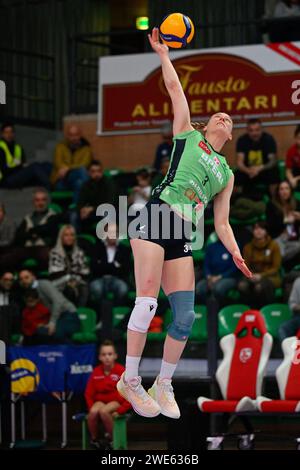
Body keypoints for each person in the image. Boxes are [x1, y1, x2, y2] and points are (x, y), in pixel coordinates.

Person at [115, 28, 252, 420]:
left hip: (182, 233)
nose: (224, 117)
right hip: (155, 216)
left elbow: (222, 224)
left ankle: (164, 383)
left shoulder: (226, 173)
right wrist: (163, 55)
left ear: (229, 135)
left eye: (230, 119)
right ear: (208, 125)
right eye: (218, 115)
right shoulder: (187, 135)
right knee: (146, 301)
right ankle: (130, 379)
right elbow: (176, 90)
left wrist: (236, 252)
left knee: (187, 315)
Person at [85, 340, 131, 450]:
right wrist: (91, 407)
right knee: (93, 412)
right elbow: (88, 393)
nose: (107, 357)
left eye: (110, 354)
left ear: (115, 356)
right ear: (100, 357)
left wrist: (120, 411)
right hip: (100, 401)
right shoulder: (96, 371)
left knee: (104, 411)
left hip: (116, 402)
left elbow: (130, 394)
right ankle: (94, 440)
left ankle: (112, 439)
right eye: (104, 354)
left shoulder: (121, 371)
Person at [1, 188, 60, 271]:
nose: (40, 203)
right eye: (37, 200)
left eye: (43, 200)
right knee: (7, 258)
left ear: (47, 202)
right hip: (27, 249)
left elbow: (49, 230)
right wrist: (34, 233)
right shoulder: (27, 218)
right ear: (33, 203)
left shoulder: (53, 216)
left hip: (44, 248)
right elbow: (19, 236)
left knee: (48, 256)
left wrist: (30, 232)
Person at [17, 270, 79, 342]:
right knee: (41, 332)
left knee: (57, 334)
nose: (24, 281)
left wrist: (52, 322)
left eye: (26, 277)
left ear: (33, 277)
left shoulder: (43, 284)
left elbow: (58, 302)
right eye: (21, 279)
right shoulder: (29, 291)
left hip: (68, 315)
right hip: (57, 318)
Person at [238, 221, 282, 308]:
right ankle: (247, 310)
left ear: (266, 231)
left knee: (259, 287)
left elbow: (276, 267)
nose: (258, 231)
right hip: (252, 276)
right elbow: (245, 265)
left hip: (270, 276)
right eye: (256, 229)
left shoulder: (274, 245)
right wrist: (250, 275)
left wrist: (261, 275)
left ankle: (265, 310)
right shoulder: (248, 247)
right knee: (242, 286)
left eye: (261, 228)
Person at [90, 223, 130, 311]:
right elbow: (94, 268)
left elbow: (125, 270)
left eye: (115, 232)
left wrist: (103, 265)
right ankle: (100, 315)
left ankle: (114, 313)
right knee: (96, 288)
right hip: (100, 278)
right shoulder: (97, 248)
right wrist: (115, 266)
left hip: (117, 279)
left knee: (123, 289)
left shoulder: (124, 249)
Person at [235, 118, 279, 198]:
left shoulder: (268, 139)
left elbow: (272, 160)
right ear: (247, 131)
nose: (254, 133)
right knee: (236, 176)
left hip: (264, 170)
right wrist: (248, 171)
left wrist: (259, 168)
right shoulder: (242, 140)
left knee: (274, 173)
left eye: (257, 130)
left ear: (261, 129)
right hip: (248, 172)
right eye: (251, 130)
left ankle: (274, 200)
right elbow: (239, 162)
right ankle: (237, 201)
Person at [0, 123, 51, 189]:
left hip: (18, 175)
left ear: (14, 133)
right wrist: (21, 167)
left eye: (11, 132)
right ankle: (50, 187)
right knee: (34, 167)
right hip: (6, 180)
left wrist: (23, 167)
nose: (9, 135)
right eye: (6, 132)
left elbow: (23, 164)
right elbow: (4, 171)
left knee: (45, 165)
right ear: (2, 134)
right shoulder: (1, 148)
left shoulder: (18, 148)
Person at [49, 225, 90, 306]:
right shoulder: (55, 252)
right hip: (59, 283)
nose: (69, 237)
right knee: (69, 290)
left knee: (84, 288)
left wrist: (74, 279)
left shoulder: (79, 252)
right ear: (61, 237)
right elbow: (55, 273)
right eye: (66, 235)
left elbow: (85, 271)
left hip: (77, 281)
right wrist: (70, 278)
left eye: (72, 235)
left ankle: (79, 314)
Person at [51, 125, 92, 202]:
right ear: (67, 136)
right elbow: (58, 162)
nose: (74, 138)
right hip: (61, 181)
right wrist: (67, 169)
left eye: (76, 135)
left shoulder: (86, 148)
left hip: (76, 179)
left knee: (79, 183)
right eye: (71, 135)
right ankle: (91, 192)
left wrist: (68, 168)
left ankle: (75, 209)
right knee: (81, 170)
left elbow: (85, 164)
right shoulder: (60, 146)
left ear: (80, 135)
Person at [75, 160, 117, 231]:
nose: (96, 174)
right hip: (92, 212)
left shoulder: (109, 183)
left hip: (104, 211)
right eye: (93, 171)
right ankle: (79, 238)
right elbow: (80, 203)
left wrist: (91, 209)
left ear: (102, 171)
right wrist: (82, 210)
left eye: (99, 171)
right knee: (74, 216)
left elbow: (109, 204)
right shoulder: (85, 185)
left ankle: (106, 240)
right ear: (88, 173)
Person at [266, 180, 300, 267]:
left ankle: (278, 264)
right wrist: (285, 221)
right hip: (278, 237)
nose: (284, 191)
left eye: (287, 188)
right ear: (278, 192)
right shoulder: (272, 205)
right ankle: (277, 265)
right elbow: (270, 226)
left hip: (293, 238)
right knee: (280, 254)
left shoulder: (296, 203)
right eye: (281, 189)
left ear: (290, 191)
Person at [195, 238, 239, 305]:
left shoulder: (234, 246)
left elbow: (234, 268)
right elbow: (206, 264)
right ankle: (205, 308)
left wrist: (219, 277)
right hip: (211, 277)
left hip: (228, 277)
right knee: (199, 287)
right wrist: (209, 276)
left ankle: (222, 307)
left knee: (218, 288)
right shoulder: (211, 246)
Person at [278, 276, 300, 342]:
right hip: (298, 316)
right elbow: (292, 304)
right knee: (282, 329)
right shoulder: (298, 281)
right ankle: (288, 351)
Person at [285, 125, 300, 189]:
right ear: (295, 138)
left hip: (297, 178)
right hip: (296, 174)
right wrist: (291, 179)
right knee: (285, 184)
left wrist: (296, 179)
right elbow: (288, 170)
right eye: (299, 138)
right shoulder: (291, 151)